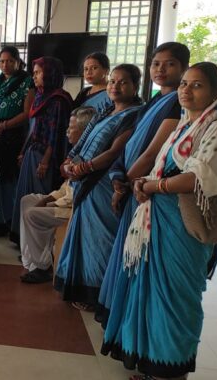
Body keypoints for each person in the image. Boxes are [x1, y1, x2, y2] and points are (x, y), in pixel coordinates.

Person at [102, 62, 217, 380]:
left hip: (184, 226)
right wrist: (143, 182)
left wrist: (153, 186)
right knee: (151, 295)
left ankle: (172, 371)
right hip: (159, 218)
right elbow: (161, 166)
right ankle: (154, 366)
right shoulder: (185, 124)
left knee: (176, 298)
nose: (186, 90)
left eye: (197, 85)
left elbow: (198, 178)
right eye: (184, 84)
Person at [96, 42, 189, 326]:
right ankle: (118, 315)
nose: (161, 69)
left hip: (144, 189)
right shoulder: (155, 100)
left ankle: (129, 321)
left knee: (136, 256)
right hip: (130, 181)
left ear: (184, 68)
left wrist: (124, 183)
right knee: (126, 252)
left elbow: (151, 153)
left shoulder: (177, 103)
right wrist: (118, 177)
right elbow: (132, 145)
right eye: (156, 64)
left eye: (169, 64)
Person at [53, 65, 142, 308]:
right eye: (113, 81)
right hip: (86, 182)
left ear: (135, 86)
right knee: (84, 237)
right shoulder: (105, 111)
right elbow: (82, 142)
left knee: (102, 240)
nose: (115, 86)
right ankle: (80, 288)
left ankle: (99, 294)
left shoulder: (133, 115)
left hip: (103, 183)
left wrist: (84, 168)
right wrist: (70, 161)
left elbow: (115, 152)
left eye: (123, 82)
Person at [18, 106, 96, 284]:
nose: (67, 132)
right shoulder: (77, 152)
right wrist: (47, 199)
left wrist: (51, 203)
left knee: (32, 215)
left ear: (84, 131)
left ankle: (42, 266)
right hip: (64, 201)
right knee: (27, 200)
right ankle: (31, 258)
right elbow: (65, 188)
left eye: (71, 128)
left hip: (73, 210)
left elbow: (74, 194)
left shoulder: (90, 156)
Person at [10, 56, 73, 244]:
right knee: (26, 195)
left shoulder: (59, 100)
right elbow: (33, 128)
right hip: (32, 152)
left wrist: (45, 161)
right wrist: (23, 151)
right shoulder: (39, 96)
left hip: (45, 157)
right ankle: (24, 241)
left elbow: (56, 134)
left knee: (41, 197)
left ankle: (40, 244)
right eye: (34, 73)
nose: (34, 76)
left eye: (38, 72)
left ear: (50, 74)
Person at [0, 46, 34, 238]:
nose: (5, 65)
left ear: (18, 61)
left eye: (10, 61)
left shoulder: (27, 82)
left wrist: (3, 126)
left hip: (13, 138)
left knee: (8, 178)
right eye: (2, 61)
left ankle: (7, 221)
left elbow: (27, 113)